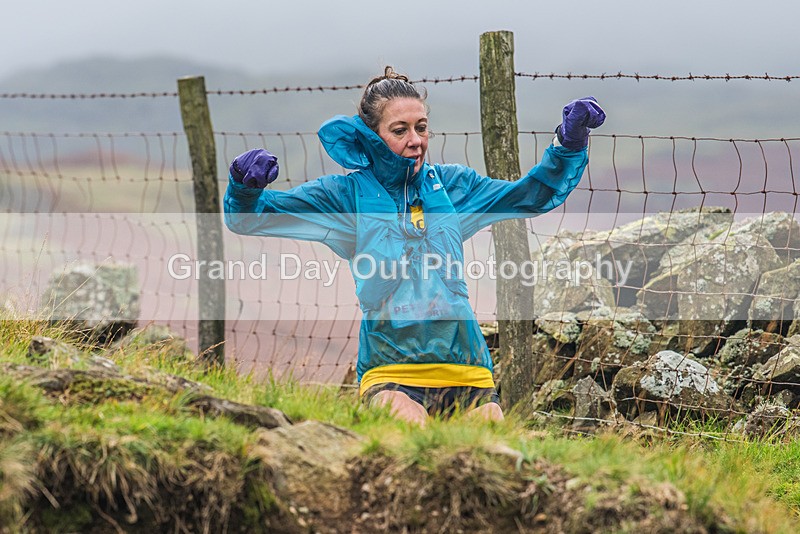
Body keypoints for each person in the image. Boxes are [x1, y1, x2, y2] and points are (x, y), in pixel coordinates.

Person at [224, 66, 605, 426]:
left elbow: (531, 196)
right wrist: (244, 187)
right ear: (373, 136)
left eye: (421, 128)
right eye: (400, 129)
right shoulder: (344, 196)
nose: (415, 140)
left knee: (487, 443)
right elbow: (251, 217)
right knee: (410, 426)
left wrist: (567, 144)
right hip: (391, 368)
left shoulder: (454, 187)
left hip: (466, 366)